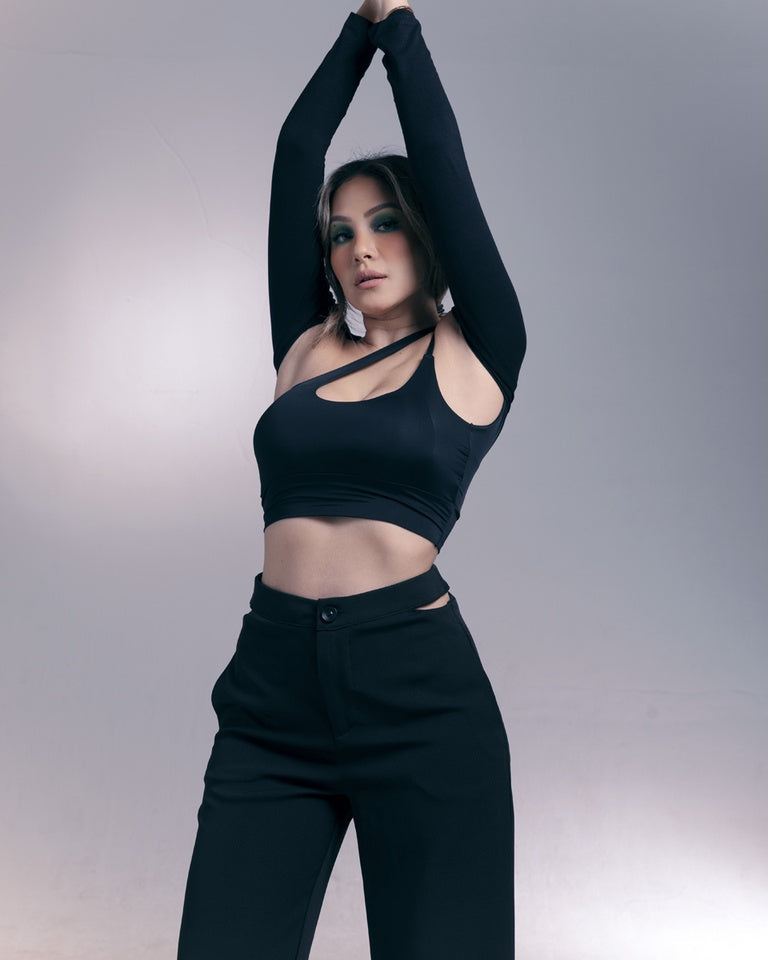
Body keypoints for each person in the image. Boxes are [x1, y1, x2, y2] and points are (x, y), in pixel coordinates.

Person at [177, 1, 526, 957]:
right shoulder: (307, 346)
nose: (360, 248)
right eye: (340, 234)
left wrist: (397, 25)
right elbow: (298, 151)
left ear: (426, 234)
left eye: (385, 224)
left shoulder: (479, 350)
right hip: (272, 688)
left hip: (418, 695)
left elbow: (444, 167)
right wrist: (356, 29)